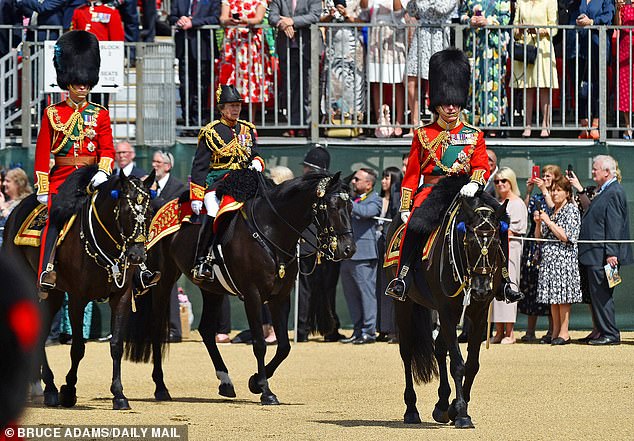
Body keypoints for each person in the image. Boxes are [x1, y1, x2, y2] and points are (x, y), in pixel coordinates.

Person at [385, 48, 522, 303]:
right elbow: (412, 174)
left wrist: (475, 181)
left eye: (455, 102)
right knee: (414, 226)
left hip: (467, 191)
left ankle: (504, 281)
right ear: (436, 103)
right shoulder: (423, 134)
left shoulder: (474, 133)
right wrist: (406, 205)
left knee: (500, 222)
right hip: (433, 192)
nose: (451, 107)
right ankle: (402, 277)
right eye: (446, 103)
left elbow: (481, 165)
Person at [33, 31, 115, 297]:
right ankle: (46, 269)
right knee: (53, 220)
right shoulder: (52, 113)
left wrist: (103, 170)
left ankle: (130, 272)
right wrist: (44, 186)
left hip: (93, 177)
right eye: (78, 82)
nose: (82, 87)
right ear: (68, 81)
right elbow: (42, 154)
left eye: (86, 82)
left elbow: (107, 148)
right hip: (63, 178)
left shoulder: (100, 114)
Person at [189, 70, 264, 281]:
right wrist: (196, 195)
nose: (236, 109)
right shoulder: (211, 132)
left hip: (246, 177)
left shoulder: (247, 129)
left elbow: (254, 152)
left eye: (238, 105)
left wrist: (257, 161)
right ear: (222, 109)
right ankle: (202, 259)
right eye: (232, 106)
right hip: (219, 180)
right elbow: (200, 166)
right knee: (213, 208)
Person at [578, 155, 633, 345]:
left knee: (603, 295)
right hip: (595, 254)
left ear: (607, 172)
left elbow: (614, 224)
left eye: (595, 169)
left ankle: (610, 333)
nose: (593, 172)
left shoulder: (614, 191)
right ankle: (603, 331)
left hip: (603, 256)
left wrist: (611, 253)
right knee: (598, 295)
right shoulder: (604, 191)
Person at [296, 146, 344, 342]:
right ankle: (320, 329)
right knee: (320, 289)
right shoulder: (333, 186)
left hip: (313, 242)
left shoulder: (304, 187)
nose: (305, 170)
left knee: (310, 289)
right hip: (323, 243)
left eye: (307, 166)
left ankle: (308, 329)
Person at [534, 177, 581, 345]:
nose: (554, 193)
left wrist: (548, 222)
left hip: (564, 260)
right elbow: (538, 239)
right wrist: (538, 223)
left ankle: (564, 332)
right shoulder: (552, 211)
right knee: (552, 298)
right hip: (549, 261)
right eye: (553, 190)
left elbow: (566, 236)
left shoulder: (571, 210)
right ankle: (555, 332)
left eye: (558, 190)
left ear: (567, 193)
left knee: (563, 297)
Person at [398, 0, 457, 137]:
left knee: (438, 82)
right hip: (420, 37)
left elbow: (442, 9)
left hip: (438, 37)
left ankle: (438, 124)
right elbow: (412, 11)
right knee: (410, 79)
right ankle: (415, 124)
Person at [340, 167, 382, 344]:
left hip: (364, 254)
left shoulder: (375, 199)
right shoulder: (355, 199)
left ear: (368, 184)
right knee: (351, 295)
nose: (353, 182)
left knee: (367, 294)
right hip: (348, 254)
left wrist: (346, 201)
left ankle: (369, 331)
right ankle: (357, 330)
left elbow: (366, 213)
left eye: (357, 179)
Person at [150, 149, 188, 342]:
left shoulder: (179, 187)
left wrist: (153, 197)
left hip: (169, 247)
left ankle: (174, 329)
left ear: (168, 165)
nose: (154, 165)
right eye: (153, 162)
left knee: (169, 286)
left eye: (158, 162)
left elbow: (169, 209)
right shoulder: (148, 184)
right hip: (148, 246)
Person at [519, 164, 560, 343]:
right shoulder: (536, 197)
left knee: (549, 289)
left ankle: (553, 330)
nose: (544, 177)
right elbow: (525, 212)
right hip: (533, 246)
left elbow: (554, 211)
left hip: (550, 245)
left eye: (549, 175)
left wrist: (545, 190)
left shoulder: (558, 196)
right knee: (531, 287)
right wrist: (528, 192)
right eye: (543, 174)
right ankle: (530, 330)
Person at [269, 0, 321, 137]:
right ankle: (294, 124)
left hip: (307, 48)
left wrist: (292, 21)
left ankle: (308, 125)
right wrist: (282, 24)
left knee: (308, 89)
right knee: (290, 88)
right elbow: (272, 16)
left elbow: (315, 15)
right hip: (287, 49)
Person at [565, 0, 614, 139]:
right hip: (577, 47)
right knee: (579, 87)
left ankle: (596, 124)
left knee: (598, 87)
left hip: (597, 46)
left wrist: (592, 22)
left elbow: (608, 17)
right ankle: (583, 125)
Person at [459, 0, 511, 132]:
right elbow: (461, 14)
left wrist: (488, 22)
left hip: (494, 48)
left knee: (493, 85)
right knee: (474, 85)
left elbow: (506, 18)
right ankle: (474, 126)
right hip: (474, 47)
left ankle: (493, 127)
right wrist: (469, 21)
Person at [169, 0, 221, 127]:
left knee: (201, 87)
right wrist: (179, 20)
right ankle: (188, 122)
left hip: (203, 48)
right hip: (184, 49)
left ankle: (200, 122)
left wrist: (193, 23)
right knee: (185, 87)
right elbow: (171, 17)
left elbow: (215, 18)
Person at [490, 167, 527, 344]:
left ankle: (509, 332)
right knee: (495, 285)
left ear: (511, 182)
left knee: (510, 284)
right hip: (495, 249)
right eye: (497, 181)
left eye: (503, 181)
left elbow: (514, 230)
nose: (500, 184)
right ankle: (498, 331)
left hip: (511, 249)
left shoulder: (517, 203)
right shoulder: (496, 203)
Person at [512, 0, 558, 138]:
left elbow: (554, 28)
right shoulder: (521, 2)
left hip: (543, 47)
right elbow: (514, 27)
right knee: (527, 87)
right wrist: (519, 29)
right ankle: (527, 125)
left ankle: (545, 125)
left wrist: (538, 30)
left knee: (544, 85)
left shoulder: (550, 1)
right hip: (526, 47)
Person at [363, 0, 407, 137]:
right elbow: (364, 8)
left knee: (398, 80)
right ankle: (380, 120)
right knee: (377, 79)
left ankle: (399, 121)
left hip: (396, 34)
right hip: (377, 34)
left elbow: (399, 11)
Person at [320, 0, 366, 130]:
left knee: (355, 86)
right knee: (334, 86)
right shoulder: (329, 1)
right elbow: (320, 22)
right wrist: (330, 15)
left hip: (353, 51)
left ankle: (356, 124)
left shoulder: (359, 1)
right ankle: (334, 123)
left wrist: (347, 15)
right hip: (334, 51)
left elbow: (364, 24)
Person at [71, 0, 125, 108]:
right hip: (82, 62)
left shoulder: (110, 12)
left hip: (102, 62)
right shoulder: (79, 11)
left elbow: (116, 39)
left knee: (100, 99)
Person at [219, 0, 274, 104]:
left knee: (252, 77)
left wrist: (245, 20)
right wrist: (228, 21)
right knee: (232, 77)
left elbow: (258, 19)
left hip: (252, 44)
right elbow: (222, 18)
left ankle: (251, 117)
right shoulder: (229, 1)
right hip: (233, 44)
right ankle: (233, 116)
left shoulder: (260, 1)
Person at [376, 166, 402, 343]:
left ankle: (395, 328)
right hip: (379, 245)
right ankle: (383, 327)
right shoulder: (379, 199)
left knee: (394, 286)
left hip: (394, 246)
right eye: (383, 178)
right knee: (381, 288)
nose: (384, 181)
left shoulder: (399, 199)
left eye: (388, 178)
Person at [0, 168, 33, 248]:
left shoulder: (24, 202)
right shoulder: (6, 200)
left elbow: (16, 224)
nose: (4, 184)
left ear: (18, 184)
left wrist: (3, 207)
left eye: (8, 181)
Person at [616, 0, 634, 139]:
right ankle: (628, 127)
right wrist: (617, 9)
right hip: (625, 49)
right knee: (625, 88)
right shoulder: (624, 5)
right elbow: (618, 25)